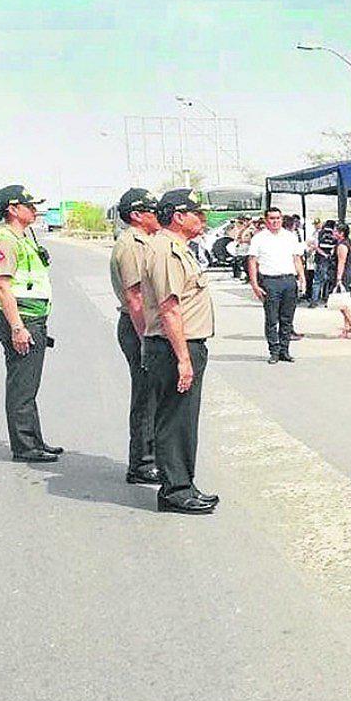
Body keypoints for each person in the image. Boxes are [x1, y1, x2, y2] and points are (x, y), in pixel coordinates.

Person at [141, 189, 218, 514]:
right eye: (197, 213)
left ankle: (184, 482)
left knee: (183, 419)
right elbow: (170, 308)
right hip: (174, 347)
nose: (203, 219)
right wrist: (184, 358)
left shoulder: (178, 248)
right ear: (178, 216)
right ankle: (175, 490)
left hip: (184, 345)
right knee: (174, 420)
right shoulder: (165, 250)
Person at [0, 184, 62, 463]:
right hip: (22, 320)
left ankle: (34, 440)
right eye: (29, 206)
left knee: (29, 385)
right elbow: (3, 287)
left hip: (33, 318)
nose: (35, 210)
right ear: (13, 209)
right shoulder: (6, 240)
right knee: (22, 387)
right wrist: (17, 327)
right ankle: (25, 447)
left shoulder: (24, 237)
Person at [109, 188, 161, 484]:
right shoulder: (130, 245)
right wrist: (146, 340)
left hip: (146, 325)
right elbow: (135, 298)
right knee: (145, 397)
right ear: (137, 215)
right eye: (152, 210)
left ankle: (152, 456)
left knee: (155, 395)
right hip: (138, 325)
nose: (158, 215)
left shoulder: (147, 241)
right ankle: (142, 464)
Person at [246, 207, 305, 363]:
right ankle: (274, 351)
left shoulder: (290, 237)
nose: (275, 221)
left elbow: (296, 258)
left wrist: (302, 278)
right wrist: (254, 284)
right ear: (266, 220)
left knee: (287, 318)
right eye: (272, 218)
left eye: (278, 218)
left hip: (289, 280)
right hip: (270, 281)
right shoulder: (259, 238)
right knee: (272, 318)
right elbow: (252, 261)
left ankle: (285, 350)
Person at [330, 224, 351, 339]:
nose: (333, 233)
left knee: (342, 303)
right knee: (343, 301)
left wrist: (339, 278)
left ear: (341, 233)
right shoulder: (348, 243)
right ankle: (347, 329)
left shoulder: (342, 246)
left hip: (343, 275)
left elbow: (341, 262)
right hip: (347, 273)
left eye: (335, 231)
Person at [310, 219, 337, 307]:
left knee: (317, 280)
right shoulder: (334, 235)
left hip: (320, 259)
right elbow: (335, 247)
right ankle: (326, 300)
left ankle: (314, 301)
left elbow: (316, 246)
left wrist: (323, 254)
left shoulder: (319, 233)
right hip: (330, 260)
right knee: (328, 280)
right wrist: (329, 255)